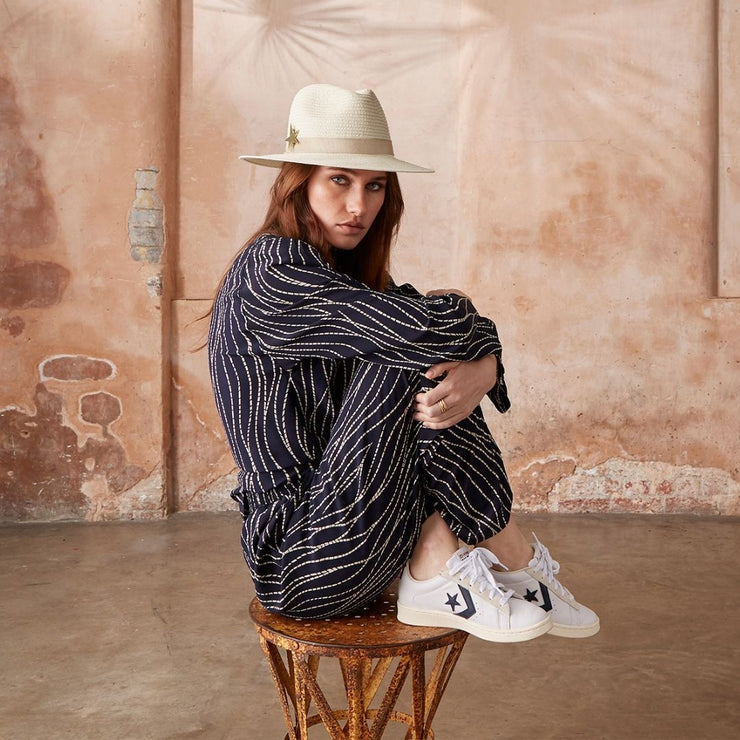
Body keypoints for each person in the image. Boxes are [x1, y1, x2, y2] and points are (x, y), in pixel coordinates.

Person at [208, 83, 599, 642]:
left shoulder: (344, 273)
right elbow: (425, 330)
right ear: (300, 182)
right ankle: (500, 555)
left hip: (369, 524)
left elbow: (428, 328)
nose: (359, 206)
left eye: (375, 186)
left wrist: (482, 369)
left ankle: (466, 557)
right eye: (339, 180)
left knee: (411, 337)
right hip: (303, 560)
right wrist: (475, 344)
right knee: (406, 347)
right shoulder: (272, 269)